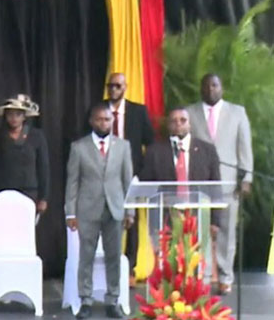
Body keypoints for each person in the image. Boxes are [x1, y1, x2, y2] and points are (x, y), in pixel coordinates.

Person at [64, 103, 134, 319]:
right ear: (91, 121)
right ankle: (85, 299)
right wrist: (70, 212)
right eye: (99, 119)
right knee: (86, 256)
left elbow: (127, 180)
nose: (104, 123)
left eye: (107, 119)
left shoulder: (123, 146)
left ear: (112, 121)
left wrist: (129, 211)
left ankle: (113, 299)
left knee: (114, 256)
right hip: (87, 209)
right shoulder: (79, 147)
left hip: (114, 209)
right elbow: (72, 182)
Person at [186, 73, 253, 295]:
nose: (210, 90)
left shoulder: (237, 113)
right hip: (199, 182)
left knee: (226, 232)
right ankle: (203, 276)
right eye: (206, 86)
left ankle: (225, 277)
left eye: (214, 85)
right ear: (201, 89)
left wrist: (247, 179)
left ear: (221, 87)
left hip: (227, 183)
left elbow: (245, 149)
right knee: (200, 230)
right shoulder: (190, 112)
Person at [139, 107, 223, 247]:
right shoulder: (154, 151)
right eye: (174, 121)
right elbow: (147, 186)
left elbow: (215, 188)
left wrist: (215, 221)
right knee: (168, 264)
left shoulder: (207, 150)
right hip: (165, 218)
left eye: (183, 120)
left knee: (194, 264)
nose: (178, 124)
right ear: (168, 125)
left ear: (189, 124)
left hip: (197, 217)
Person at [106, 73, 154, 270]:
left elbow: (149, 142)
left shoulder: (138, 111)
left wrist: (141, 172)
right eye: (110, 86)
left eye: (118, 86)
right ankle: (109, 265)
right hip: (105, 173)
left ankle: (131, 267)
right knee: (107, 218)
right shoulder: (99, 110)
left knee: (131, 220)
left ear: (125, 87)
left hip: (130, 173)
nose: (114, 90)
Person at [0, 94, 50, 213]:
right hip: (3, 192)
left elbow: (43, 167)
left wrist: (43, 197)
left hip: (29, 192)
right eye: (10, 114)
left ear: (24, 116)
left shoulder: (36, 136)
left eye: (18, 114)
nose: (14, 118)